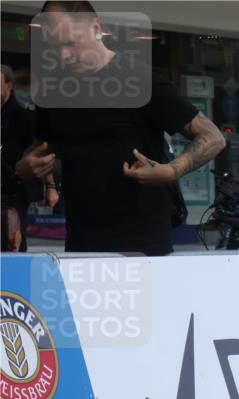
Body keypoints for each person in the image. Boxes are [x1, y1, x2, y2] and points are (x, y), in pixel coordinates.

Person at [14, 1, 226, 256]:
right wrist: (26, 169)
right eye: (54, 46)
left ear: (95, 28)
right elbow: (44, 147)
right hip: (81, 242)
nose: (63, 55)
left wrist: (171, 171)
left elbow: (213, 136)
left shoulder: (139, 80)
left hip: (141, 244)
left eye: (70, 43)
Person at [2, 64, 56, 251]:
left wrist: (50, 187)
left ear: (8, 85)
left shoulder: (24, 118)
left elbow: (41, 151)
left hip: (15, 188)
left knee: (12, 239)